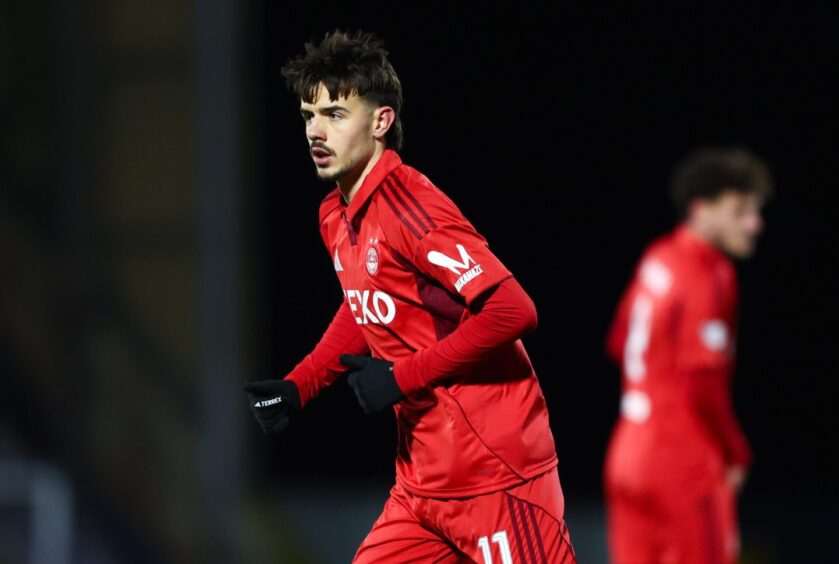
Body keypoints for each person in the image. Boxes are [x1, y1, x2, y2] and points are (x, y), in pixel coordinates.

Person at [243, 30, 576, 563]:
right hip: (421, 488)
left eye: (334, 113)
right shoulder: (335, 212)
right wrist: (299, 386)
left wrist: (400, 377)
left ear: (380, 122)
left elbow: (513, 310)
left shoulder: (410, 208)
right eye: (309, 115)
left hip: (497, 477)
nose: (315, 130)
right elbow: (365, 304)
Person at [603, 147, 773, 563]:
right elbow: (702, 381)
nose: (755, 224)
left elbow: (618, 342)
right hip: (682, 459)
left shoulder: (657, 257)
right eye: (739, 211)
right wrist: (736, 451)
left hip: (627, 452)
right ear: (700, 209)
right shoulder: (710, 273)